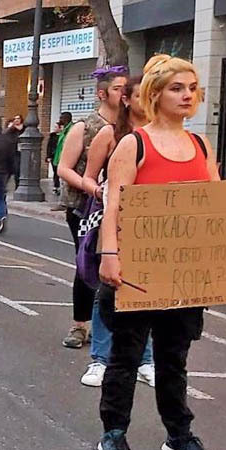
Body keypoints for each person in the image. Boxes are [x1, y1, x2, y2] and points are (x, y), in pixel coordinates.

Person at [96, 55, 226, 450]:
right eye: (176, 88)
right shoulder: (135, 144)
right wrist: (109, 254)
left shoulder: (200, 145)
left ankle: (179, 434)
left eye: (191, 88)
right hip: (138, 270)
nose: (187, 95)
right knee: (126, 355)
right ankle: (114, 433)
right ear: (155, 93)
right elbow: (114, 204)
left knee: (175, 356)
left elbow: (219, 201)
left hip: (183, 273)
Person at [79, 76, 155, 389]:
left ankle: (146, 359)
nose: (145, 102)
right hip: (114, 219)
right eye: (139, 96)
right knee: (107, 291)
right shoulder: (111, 134)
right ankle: (99, 357)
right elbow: (87, 176)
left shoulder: (161, 137)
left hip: (150, 225)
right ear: (126, 100)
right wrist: (102, 193)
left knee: (146, 292)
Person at [56, 69, 127, 356]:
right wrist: (94, 190)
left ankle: (115, 325)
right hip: (84, 208)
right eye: (118, 89)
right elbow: (64, 168)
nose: (124, 94)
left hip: (121, 208)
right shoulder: (85, 127)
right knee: (88, 263)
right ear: (103, 94)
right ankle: (80, 324)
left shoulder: (132, 128)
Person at [47, 112, 73, 197]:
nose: (60, 120)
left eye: (61, 118)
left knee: (65, 181)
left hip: (66, 158)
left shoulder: (71, 129)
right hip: (59, 158)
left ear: (66, 119)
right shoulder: (64, 130)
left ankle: (65, 202)